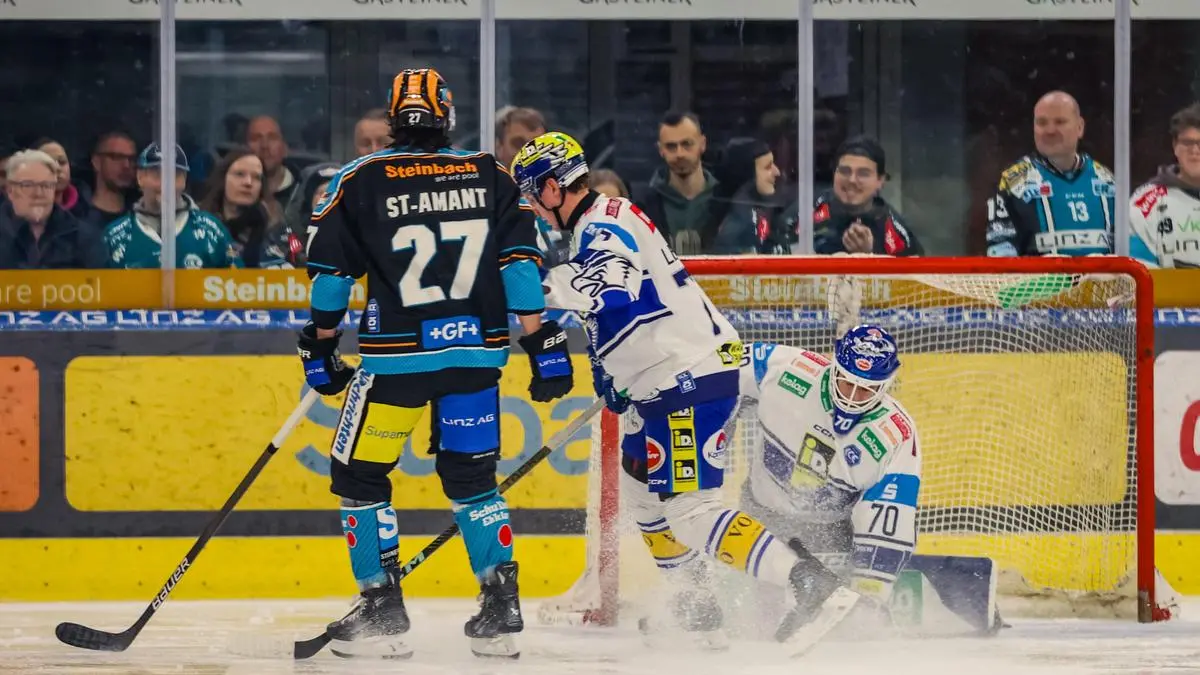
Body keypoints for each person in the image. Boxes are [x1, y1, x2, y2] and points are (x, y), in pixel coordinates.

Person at [298, 68, 574, 660]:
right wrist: (541, 343)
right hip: (474, 358)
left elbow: (330, 278)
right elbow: (520, 266)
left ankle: (381, 611)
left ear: (393, 119)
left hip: (397, 360)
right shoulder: (490, 174)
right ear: (447, 116)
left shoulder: (359, 179)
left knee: (360, 476)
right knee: (473, 480)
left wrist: (321, 345)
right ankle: (501, 611)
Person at [510, 131, 822, 648]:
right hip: (663, 381)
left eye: (531, 192)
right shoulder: (599, 222)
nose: (533, 207)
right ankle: (697, 607)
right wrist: (614, 374)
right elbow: (628, 310)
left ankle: (807, 582)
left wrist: (531, 290)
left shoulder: (604, 225)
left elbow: (611, 289)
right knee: (642, 492)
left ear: (551, 187)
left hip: (688, 377)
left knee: (690, 509)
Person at [735, 328, 919, 637]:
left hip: (830, 533)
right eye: (847, 382)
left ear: (886, 385)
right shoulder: (783, 367)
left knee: (843, 630)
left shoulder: (896, 434)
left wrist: (869, 598)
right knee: (757, 623)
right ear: (834, 366)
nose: (851, 397)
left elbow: (889, 522)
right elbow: (711, 370)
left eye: (866, 390)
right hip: (760, 515)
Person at [987, 90, 1115, 256]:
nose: (1050, 130)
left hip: (1103, 275)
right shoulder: (1013, 182)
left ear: (1080, 127)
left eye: (1060, 122)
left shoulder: (1107, 180)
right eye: (1042, 123)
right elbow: (1000, 253)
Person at [101, 143, 236, 269]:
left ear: (184, 180)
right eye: (157, 175)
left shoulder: (212, 230)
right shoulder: (114, 236)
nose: (166, 184)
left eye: (174, 176)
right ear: (140, 177)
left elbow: (237, 281)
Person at [810, 136, 922, 256]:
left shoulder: (895, 232)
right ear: (834, 174)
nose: (852, 180)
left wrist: (869, 255)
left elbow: (917, 266)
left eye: (863, 173)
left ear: (880, 181)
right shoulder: (807, 211)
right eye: (845, 171)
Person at [1129, 103, 1200, 268]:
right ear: (1175, 146)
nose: (1195, 150)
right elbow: (1138, 269)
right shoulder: (1145, 204)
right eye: (1187, 142)